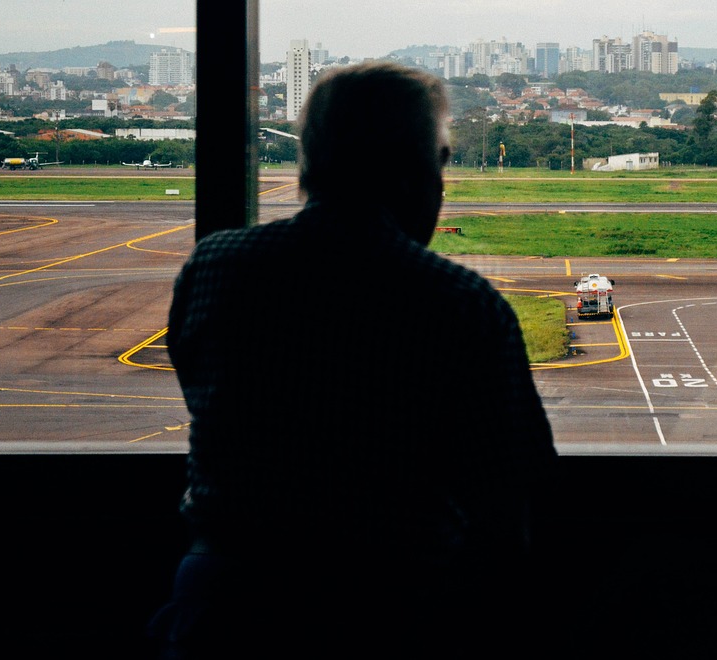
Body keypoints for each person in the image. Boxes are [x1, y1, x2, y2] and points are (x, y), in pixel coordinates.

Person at [148, 61, 557, 658]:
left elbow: (201, 390)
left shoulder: (214, 267)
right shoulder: (459, 303)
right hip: (395, 606)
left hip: (220, 605)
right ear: (420, 172)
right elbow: (515, 488)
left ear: (309, 163)